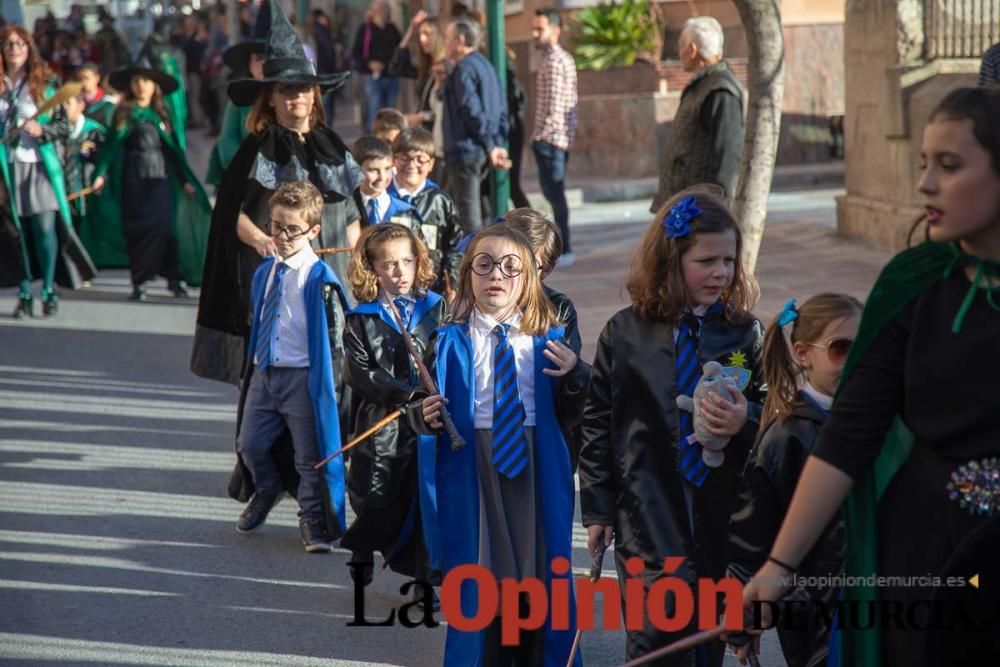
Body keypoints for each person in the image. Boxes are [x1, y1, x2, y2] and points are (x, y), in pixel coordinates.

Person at [738, 86, 1000, 667]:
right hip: (928, 564)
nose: (925, 184)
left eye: (950, 165)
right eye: (924, 164)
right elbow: (849, 435)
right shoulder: (911, 285)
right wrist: (778, 567)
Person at [579, 188, 764, 667]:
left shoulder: (744, 332)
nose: (721, 272)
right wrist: (597, 508)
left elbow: (775, 416)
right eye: (706, 261)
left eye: (729, 259)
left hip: (722, 509)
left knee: (708, 633)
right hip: (646, 507)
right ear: (670, 259)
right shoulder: (624, 333)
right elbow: (598, 421)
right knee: (654, 637)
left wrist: (747, 419)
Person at [413, 224, 581, 665]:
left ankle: (535, 652)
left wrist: (577, 375)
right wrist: (423, 415)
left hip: (535, 459)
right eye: (484, 265)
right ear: (468, 273)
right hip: (474, 460)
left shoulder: (550, 337)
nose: (497, 276)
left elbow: (584, 407)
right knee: (482, 563)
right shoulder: (448, 338)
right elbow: (418, 403)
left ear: (528, 278)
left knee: (538, 562)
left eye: (511, 267)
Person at [192, 0, 359, 386]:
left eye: (302, 89)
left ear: (314, 95)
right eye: (285, 90)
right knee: (276, 387)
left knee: (336, 387)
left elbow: (353, 215)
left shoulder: (334, 146)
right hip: (275, 285)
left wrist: (356, 270)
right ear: (269, 96)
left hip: (333, 283)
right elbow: (231, 213)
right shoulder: (255, 150)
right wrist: (263, 241)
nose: (294, 98)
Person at [726, 293, 862, 667]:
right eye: (840, 349)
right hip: (811, 611)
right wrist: (744, 621)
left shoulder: (876, 421)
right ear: (803, 353)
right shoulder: (786, 436)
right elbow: (750, 534)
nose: (855, 361)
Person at [232, 180, 350, 553]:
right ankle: (267, 490)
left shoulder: (320, 280)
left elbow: (334, 339)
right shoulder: (265, 271)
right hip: (265, 373)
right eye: (276, 225)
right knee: (249, 444)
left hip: (302, 377)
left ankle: (313, 519)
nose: (282, 235)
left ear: (314, 231)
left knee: (309, 454)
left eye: (292, 229)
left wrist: (330, 387)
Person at [341, 223, 445, 605]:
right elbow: (360, 372)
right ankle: (362, 544)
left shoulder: (437, 308)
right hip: (380, 421)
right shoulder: (362, 317)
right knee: (377, 495)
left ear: (419, 261)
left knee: (423, 497)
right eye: (389, 265)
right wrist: (407, 395)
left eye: (407, 261)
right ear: (373, 268)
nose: (400, 272)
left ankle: (424, 578)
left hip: (426, 421)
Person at [87, 52, 211, 302]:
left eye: (145, 81)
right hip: (134, 178)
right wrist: (100, 175)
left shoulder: (162, 116)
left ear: (154, 86)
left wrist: (185, 179)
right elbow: (111, 148)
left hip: (160, 178)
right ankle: (140, 282)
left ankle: (174, 279)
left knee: (165, 227)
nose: (141, 85)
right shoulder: (124, 113)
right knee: (138, 230)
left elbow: (173, 151)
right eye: (136, 81)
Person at [0, 25, 96, 318]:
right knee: (18, 233)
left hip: (40, 168)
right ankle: (25, 291)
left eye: (20, 43)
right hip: (7, 170)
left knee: (44, 230)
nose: (14, 48)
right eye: (8, 44)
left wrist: (41, 129)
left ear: (29, 48)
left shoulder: (44, 84)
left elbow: (65, 125)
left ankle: (49, 289)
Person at [502, 207, 589, 470]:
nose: (509, 273)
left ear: (546, 269)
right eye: (504, 260)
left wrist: (574, 369)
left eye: (524, 265)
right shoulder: (472, 305)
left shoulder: (558, 309)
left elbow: (572, 394)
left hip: (544, 436)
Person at [650, 17, 745, 212]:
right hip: (682, 205)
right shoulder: (704, 84)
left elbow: (726, 158)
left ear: (693, 50)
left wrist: (715, 212)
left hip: (698, 208)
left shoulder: (720, 90)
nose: (679, 52)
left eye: (681, 45)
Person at [442, 16, 510, 235]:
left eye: (447, 38)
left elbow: (471, 110)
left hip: (466, 150)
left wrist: (491, 145)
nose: (444, 43)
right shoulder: (486, 65)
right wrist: (495, 144)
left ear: (460, 40)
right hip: (480, 148)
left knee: (469, 217)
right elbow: (499, 109)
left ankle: (476, 264)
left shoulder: (464, 68)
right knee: (478, 210)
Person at [388, 127, 463, 296]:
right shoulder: (383, 199)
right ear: (394, 160)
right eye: (404, 159)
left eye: (420, 160)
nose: (412, 165)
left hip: (431, 290)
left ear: (431, 164)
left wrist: (451, 285)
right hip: (390, 289)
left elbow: (453, 247)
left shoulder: (440, 201)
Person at [204, 2, 270, 190]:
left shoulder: (291, 98)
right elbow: (228, 141)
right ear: (248, 64)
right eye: (258, 59)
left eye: (270, 59)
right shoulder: (240, 101)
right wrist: (253, 169)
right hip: (247, 183)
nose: (264, 65)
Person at [531, 7, 578, 267]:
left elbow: (559, 107)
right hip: (553, 139)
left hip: (551, 140)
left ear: (555, 30)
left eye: (540, 28)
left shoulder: (557, 61)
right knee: (553, 194)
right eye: (534, 28)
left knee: (556, 195)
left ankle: (566, 247)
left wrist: (542, 137)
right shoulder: (552, 59)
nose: (535, 33)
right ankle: (563, 246)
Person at [387, 12, 447, 182]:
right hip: (426, 138)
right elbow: (396, 67)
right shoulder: (427, 66)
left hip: (438, 140)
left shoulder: (445, 68)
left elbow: (441, 109)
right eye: (420, 34)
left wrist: (419, 117)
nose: (422, 39)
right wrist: (411, 29)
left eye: (427, 34)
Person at [352, 0, 401, 134]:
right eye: (378, 8)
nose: (381, 11)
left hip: (390, 76)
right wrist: (370, 63)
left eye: (384, 8)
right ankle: (372, 140)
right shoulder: (365, 29)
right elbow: (356, 53)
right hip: (371, 77)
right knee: (374, 110)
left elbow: (400, 49)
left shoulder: (392, 29)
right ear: (372, 11)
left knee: (390, 112)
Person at [59, 90, 105, 232]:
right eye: (61, 104)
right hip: (65, 196)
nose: (64, 108)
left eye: (68, 103)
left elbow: (104, 161)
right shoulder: (55, 133)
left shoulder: (94, 132)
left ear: (81, 105)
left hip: (89, 196)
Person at [352, 135, 418, 228]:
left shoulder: (404, 212)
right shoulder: (346, 211)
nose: (382, 177)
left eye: (387, 169)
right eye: (373, 170)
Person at [76, 61, 114, 127]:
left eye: (86, 78)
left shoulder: (107, 102)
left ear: (97, 78)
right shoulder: (77, 101)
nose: (83, 82)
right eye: (80, 79)